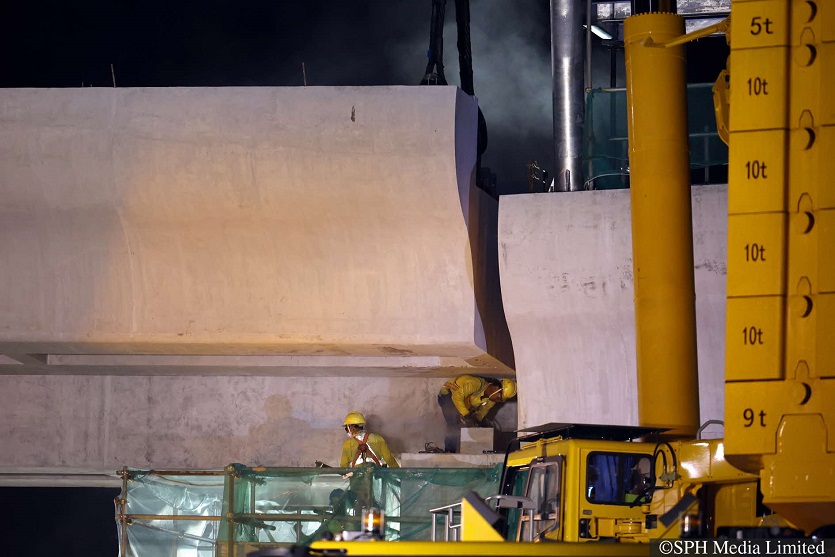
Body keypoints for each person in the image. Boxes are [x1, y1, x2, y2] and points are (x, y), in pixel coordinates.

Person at [437, 375, 517, 453]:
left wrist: (475, 423)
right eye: (499, 397)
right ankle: (449, 451)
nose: (498, 400)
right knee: (454, 422)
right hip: (447, 394)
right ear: (496, 388)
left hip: (462, 403)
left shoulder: (491, 401)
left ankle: (461, 451)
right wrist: (466, 415)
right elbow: (457, 397)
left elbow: (481, 414)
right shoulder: (477, 383)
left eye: (501, 400)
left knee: (466, 423)